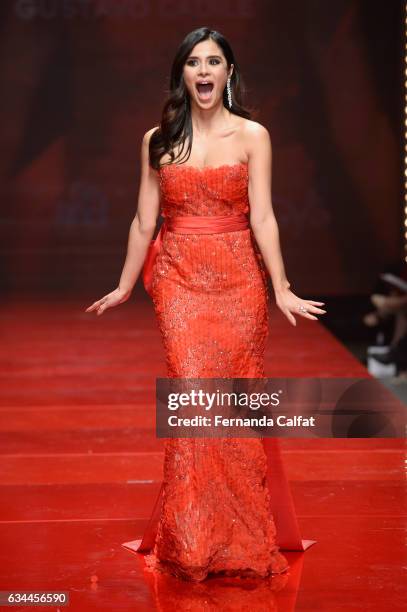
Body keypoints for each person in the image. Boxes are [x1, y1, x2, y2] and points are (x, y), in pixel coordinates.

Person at [85, 27, 326, 581]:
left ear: (228, 73)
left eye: (214, 61)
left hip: (239, 280)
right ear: (183, 76)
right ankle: (193, 539)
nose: (204, 71)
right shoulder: (158, 140)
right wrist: (125, 285)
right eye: (194, 62)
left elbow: (264, 216)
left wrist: (282, 285)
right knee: (192, 395)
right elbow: (145, 220)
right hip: (178, 282)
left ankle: (238, 536)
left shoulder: (253, 136)